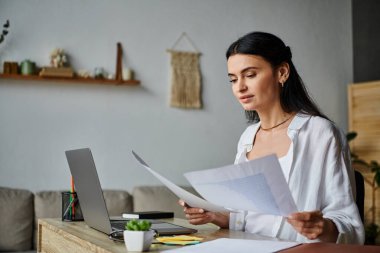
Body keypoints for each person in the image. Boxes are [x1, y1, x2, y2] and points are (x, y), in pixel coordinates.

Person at [179, 31, 364, 244]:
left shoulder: (320, 133)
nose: (240, 87)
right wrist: (217, 216)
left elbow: (348, 222)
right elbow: (252, 219)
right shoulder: (247, 137)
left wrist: (324, 227)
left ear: (282, 73)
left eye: (250, 75)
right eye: (233, 79)